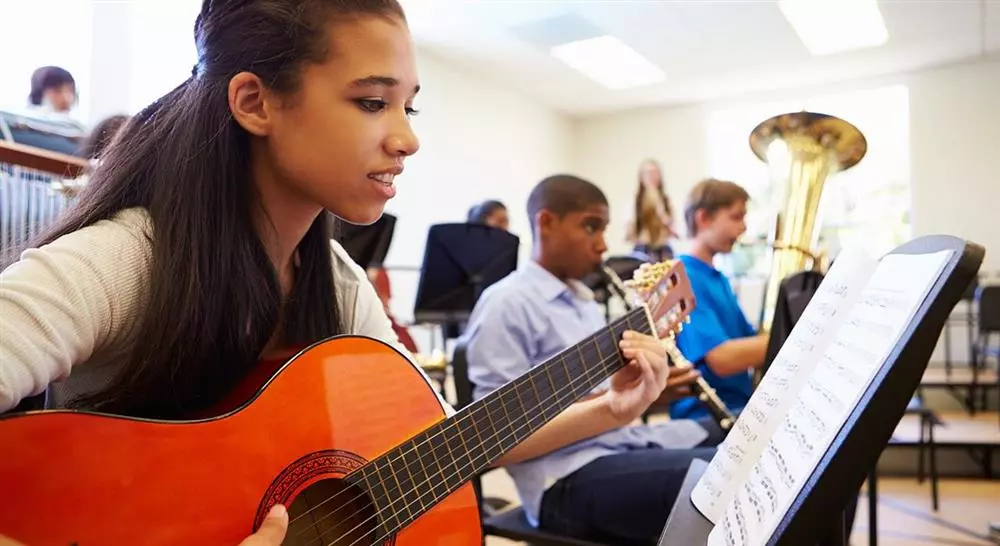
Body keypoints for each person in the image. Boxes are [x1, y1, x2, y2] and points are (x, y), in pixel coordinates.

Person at [0, 2, 675, 544]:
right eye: (372, 103)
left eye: (408, 107)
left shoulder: (337, 281)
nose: (407, 138)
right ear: (255, 102)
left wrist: (607, 410)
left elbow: (439, 443)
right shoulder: (131, 258)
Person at [462, 174, 724, 545]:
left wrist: (652, 391)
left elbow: (604, 392)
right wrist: (611, 405)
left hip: (615, 443)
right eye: (590, 227)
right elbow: (492, 440)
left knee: (738, 439)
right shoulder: (506, 303)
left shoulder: (583, 302)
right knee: (723, 474)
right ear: (546, 223)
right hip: (562, 479)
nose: (602, 245)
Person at [669, 178, 769, 421]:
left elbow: (750, 341)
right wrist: (796, 341)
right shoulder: (683, 277)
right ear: (703, 219)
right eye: (736, 217)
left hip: (736, 407)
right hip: (705, 416)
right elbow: (722, 359)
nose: (744, 227)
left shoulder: (718, 278)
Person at [626, 159, 676, 262]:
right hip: (643, 249)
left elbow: (672, 229)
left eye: (655, 173)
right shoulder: (635, 202)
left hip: (663, 249)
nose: (652, 177)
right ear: (641, 177)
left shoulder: (666, 200)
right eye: (648, 173)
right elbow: (630, 233)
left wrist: (659, 207)